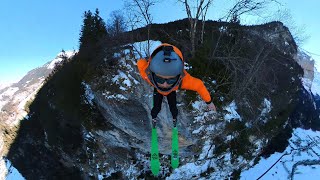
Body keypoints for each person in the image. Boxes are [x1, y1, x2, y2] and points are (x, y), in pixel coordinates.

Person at [137, 43, 216, 128]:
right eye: (160, 79)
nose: (165, 85)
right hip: (171, 88)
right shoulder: (146, 73)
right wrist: (209, 102)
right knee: (157, 107)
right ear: (152, 73)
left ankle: (174, 117)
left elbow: (199, 86)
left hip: (169, 90)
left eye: (171, 80)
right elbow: (140, 63)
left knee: (172, 106)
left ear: (179, 76)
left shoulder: (183, 80)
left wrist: (209, 102)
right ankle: (154, 117)